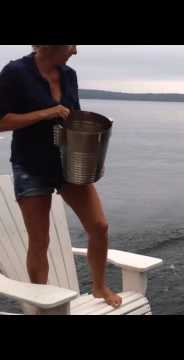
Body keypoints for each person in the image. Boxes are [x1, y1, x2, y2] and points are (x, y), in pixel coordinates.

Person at [0, 45, 122, 308]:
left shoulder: (69, 75)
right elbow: (2, 121)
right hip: (31, 166)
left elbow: (73, 121)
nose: (75, 51)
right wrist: (47, 112)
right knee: (40, 239)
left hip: (68, 164)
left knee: (99, 227)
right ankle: (41, 303)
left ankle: (99, 287)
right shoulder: (15, 73)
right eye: (71, 45)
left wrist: (94, 154)